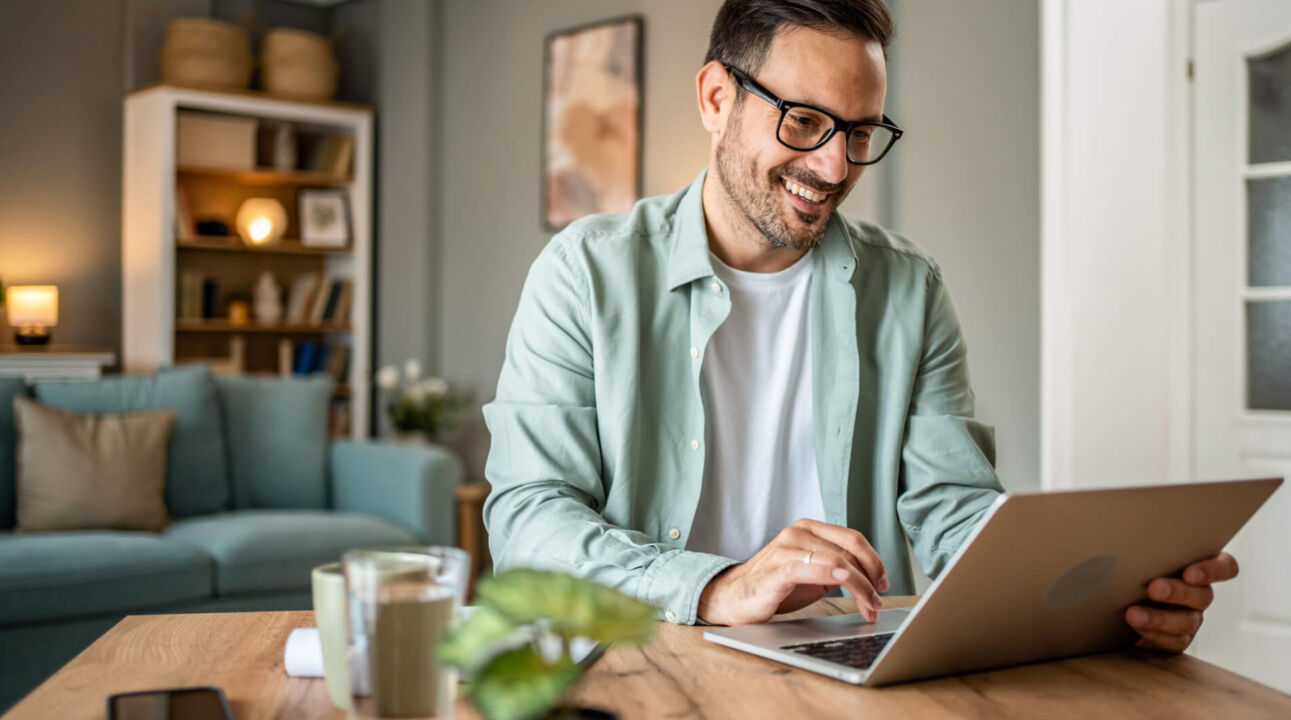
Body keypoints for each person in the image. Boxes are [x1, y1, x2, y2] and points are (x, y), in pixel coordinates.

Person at [483, 0, 1235, 653]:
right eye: (805, 121)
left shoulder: (909, 286)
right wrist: (715, 587)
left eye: (861, 132)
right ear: (717, 99)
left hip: (851, 667)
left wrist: (1104, 603)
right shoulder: (586, 272)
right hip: (651, 652)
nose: (836, 167)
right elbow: (526, 519)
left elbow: (954, 509)